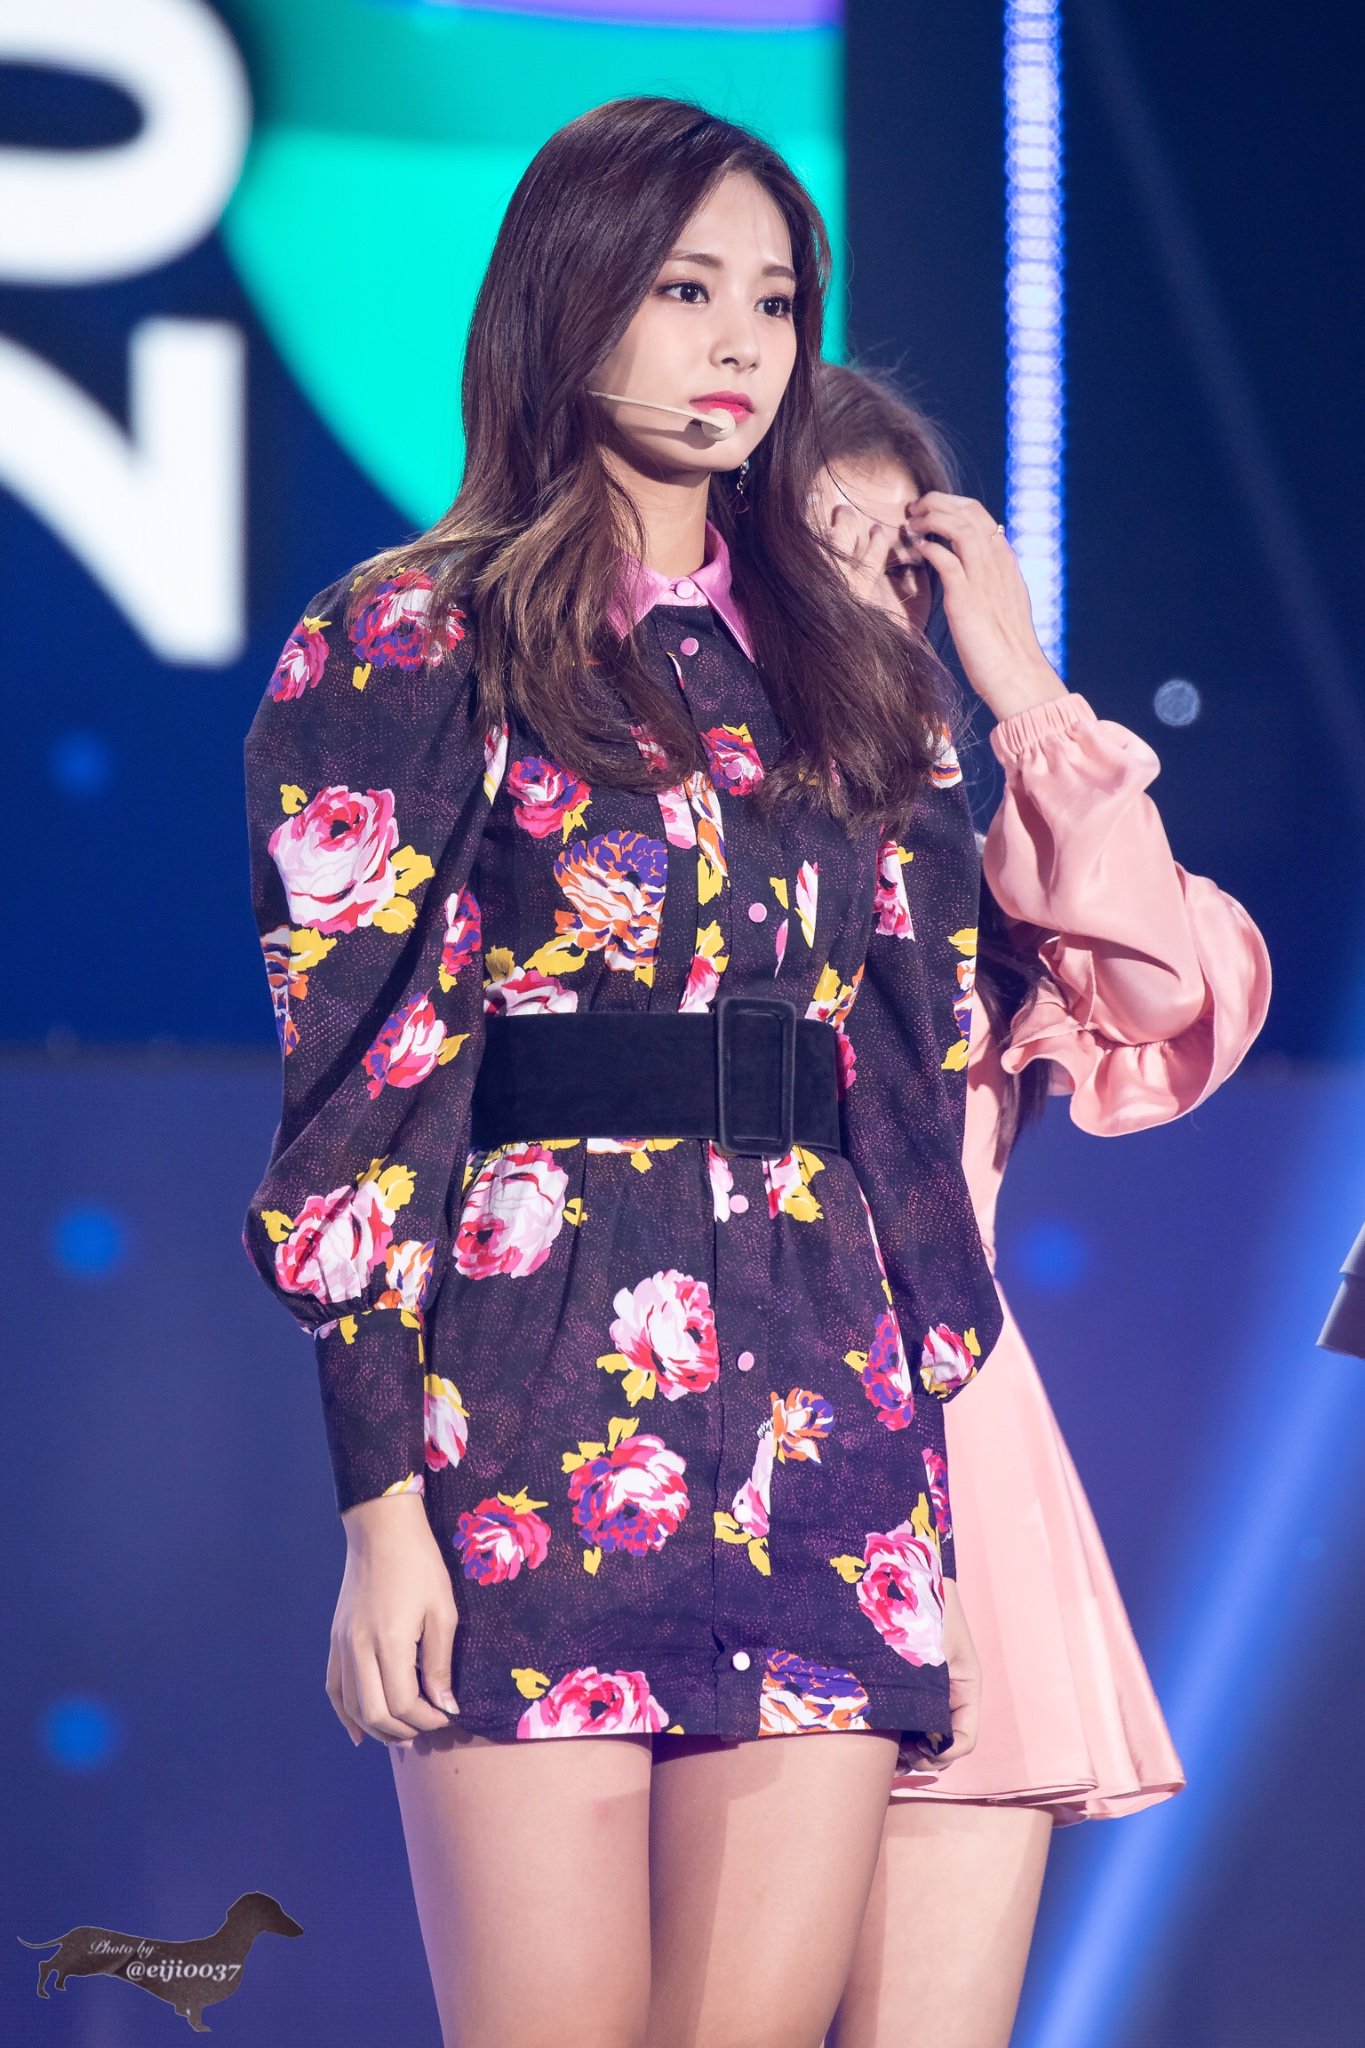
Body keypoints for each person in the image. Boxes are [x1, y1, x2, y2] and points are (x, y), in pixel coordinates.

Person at [240, 101, 1012, 2048]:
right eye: (684, 291)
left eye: (773, 300)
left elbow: (938, 1038)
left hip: (822, 1399)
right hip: (530, 1395)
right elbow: (362, 1094)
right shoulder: (412, 634)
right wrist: (381, 1511)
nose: (739, 343)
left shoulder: (853, 670)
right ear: (570, 297)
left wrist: (1023, 698)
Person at [804, 361, 1272, 2048]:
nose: (872, 588)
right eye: (826, 539)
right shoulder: (652, 833)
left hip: (958, 1449)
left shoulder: (967, 846)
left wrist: (1020, 686)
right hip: (712, 1420)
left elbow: (1165, 995)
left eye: (904, 558)